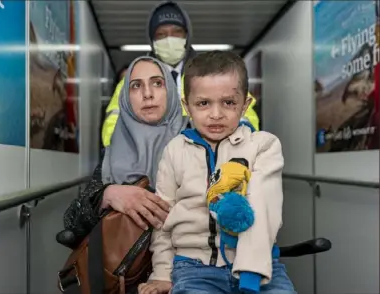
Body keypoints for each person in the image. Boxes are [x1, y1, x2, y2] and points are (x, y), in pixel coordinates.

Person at [138, 51, 295, 294]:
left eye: (229, 103)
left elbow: (265, 205)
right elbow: (162, 218)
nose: (216, 114)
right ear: (186, 106)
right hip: (194, 269)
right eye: (203, 103)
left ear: (245, 105)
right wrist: (161, 273)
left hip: (262, 266)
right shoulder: (174, 151)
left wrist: (251, 274)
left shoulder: (263, 145)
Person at [58, 56, 189, 246]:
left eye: (157, 83)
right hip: (123, 270)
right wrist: (107, 195)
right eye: (136, 86)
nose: (147, 93)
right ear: (126, 98)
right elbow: (72, 222)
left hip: (186, 266)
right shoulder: (116, 150)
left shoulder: (195, 141)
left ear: (170, 89)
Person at [101, 0, 261, 148]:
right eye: (161, 35)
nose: (169, 39)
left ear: (187, 36)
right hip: (151, 168)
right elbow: (113, 125)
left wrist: (237, 141)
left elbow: (244, 114)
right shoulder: (133, 79)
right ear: (152, 40)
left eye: (176, 32)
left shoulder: (215, 71)